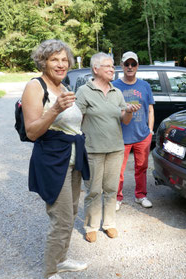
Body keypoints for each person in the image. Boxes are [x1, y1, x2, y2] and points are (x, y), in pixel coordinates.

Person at [23, 39, 90, 279]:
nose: (61, 64)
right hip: (52, 161)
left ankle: (61, 260)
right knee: (61, 219)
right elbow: (32, 131)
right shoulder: (35, 86)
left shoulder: (63, 85)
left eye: (64, 60)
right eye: (54, 59)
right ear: (43, 61)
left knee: (71, 212)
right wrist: (54, 110)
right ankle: (49, 274)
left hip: (71, 159)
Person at [76, 52, 140, 243]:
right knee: (94, 190)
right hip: (93, 150)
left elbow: (124, 120)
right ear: (95, 69)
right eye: (108, 66)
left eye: (113, 66)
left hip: (115, 149)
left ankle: (109, 224)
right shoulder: (84, 92)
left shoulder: (117, 92)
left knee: (111, 189)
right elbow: (75, 119)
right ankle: (91, 225)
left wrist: (128, 111)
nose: (113, 69)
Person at [112, 51, 155, 209]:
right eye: (127, 64)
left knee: (142, 167)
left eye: (133, 64)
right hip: (121, 136)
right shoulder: (115, 86)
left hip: (142, 136)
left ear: (137, 66)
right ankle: (117, 198)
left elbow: (150, 109)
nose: (130, 67)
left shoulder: (145, 86)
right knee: (118, 170)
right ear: (122, 66)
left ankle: (140, 195)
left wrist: (150, 130)